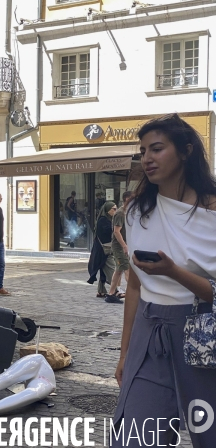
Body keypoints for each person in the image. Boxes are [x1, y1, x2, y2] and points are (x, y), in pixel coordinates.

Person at [111, 114, 216, 447]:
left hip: (202, 333)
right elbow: (137, 287)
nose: (147, 159)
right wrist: (125, 353)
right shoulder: (137, 211)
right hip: (149, 331)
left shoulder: (213, 210)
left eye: (156, 149)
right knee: (135, 437)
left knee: (209, 434)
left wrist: (173, 272)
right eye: (143, 151)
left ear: (185, 151)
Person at [105, 191, 134, 303]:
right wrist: (124, 246)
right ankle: (132, 294)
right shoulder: (120, 213)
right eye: (132, 198)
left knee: (119, 270)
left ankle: (111, 293)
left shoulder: (128, 212)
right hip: (119, 246)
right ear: (126, 199)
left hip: (124, 245)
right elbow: (116, 231)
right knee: (127, 269)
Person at [88, 201, 117, 299]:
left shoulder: (109, 219)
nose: (115, 211)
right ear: (108, 210)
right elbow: (108, 232)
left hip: (105, 249)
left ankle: (101, 291)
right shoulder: (103, 220)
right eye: (114, 209)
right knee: (112, 269)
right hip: (104, 249)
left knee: (103, 268)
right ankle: (116, 290)